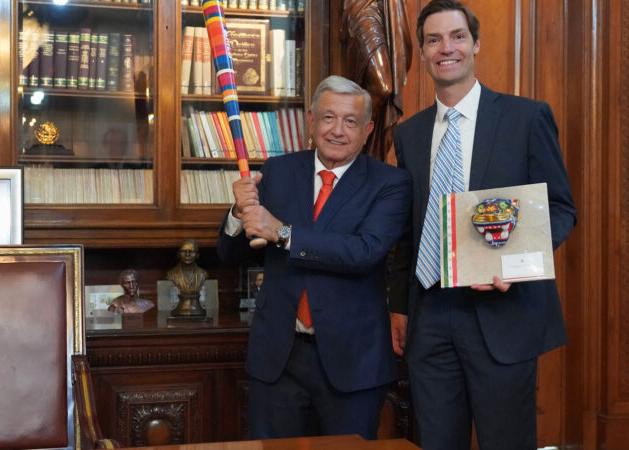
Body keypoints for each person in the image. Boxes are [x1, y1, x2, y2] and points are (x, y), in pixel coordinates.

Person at [388, 2, 577, 449]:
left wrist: (513, 265)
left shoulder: (525, 118)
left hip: (501, 313)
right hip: (430, 315)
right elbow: (406, 229)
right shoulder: (409, 134)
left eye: (456, 36)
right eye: (433, 40)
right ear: (424, 51)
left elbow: (560, 208)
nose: (445, 48)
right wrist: (399, 306)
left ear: (475, 43)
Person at [217, 75, 411, 440]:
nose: (337, 130)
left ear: (367, 129)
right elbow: (231, 253)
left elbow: (364, 252)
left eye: (350, 121)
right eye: (328, 118)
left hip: (352, 362)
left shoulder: (389, 183)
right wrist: (238, 211)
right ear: (310, 121)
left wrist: (283, 233)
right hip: (279, 358)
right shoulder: (278, 171)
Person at [342, 0, 412, 160]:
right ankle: (354, 141)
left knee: (387, 89)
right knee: (383, 87)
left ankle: (370, 153)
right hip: (364, 8)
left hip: (388, 8)